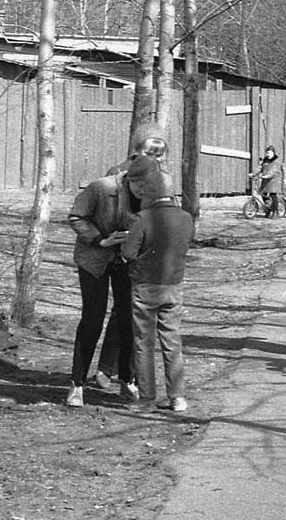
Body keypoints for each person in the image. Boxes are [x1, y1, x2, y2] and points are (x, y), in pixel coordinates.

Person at [120, 153, 196, 413]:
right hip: (174, 286)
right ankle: (178, 397)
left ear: (148, 193)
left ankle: (147, 399)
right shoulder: (186, 218)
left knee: (144, 343)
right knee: (172, 341)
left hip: (145, 286)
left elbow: (128, 253)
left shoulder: (142, 219)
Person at [66, 161, 139, 408]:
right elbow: (76, 216)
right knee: (92, 319)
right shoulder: (101, 188)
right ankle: (77, 385)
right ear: (128, 178)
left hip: (127, 261)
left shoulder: (154, 191)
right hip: (93, 259)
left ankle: (128, 381)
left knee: (129, 320)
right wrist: (100, 240)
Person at [256, 145, 283, 217]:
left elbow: (274, 171)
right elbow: (260, 168)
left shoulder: (276, 161)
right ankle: (268, 209)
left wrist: (267, 176)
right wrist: (254, 174)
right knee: (262, 194)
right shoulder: (265, 160)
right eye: (267, 153)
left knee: (273, 195)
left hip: (273, 180)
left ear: (273, 153)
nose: (268, 155)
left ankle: (275, 211)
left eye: (270, 153)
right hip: (265, 180)